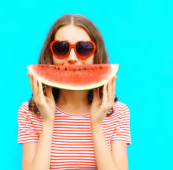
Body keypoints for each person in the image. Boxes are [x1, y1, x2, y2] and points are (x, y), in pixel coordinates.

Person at [18, 14, 131, 170]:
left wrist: (97, 125)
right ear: (50, 55)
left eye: (83, 48)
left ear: (96, 54)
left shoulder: (118, 112)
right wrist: (47, 120)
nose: (72, 58)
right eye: (61, 48)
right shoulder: (29, 112)